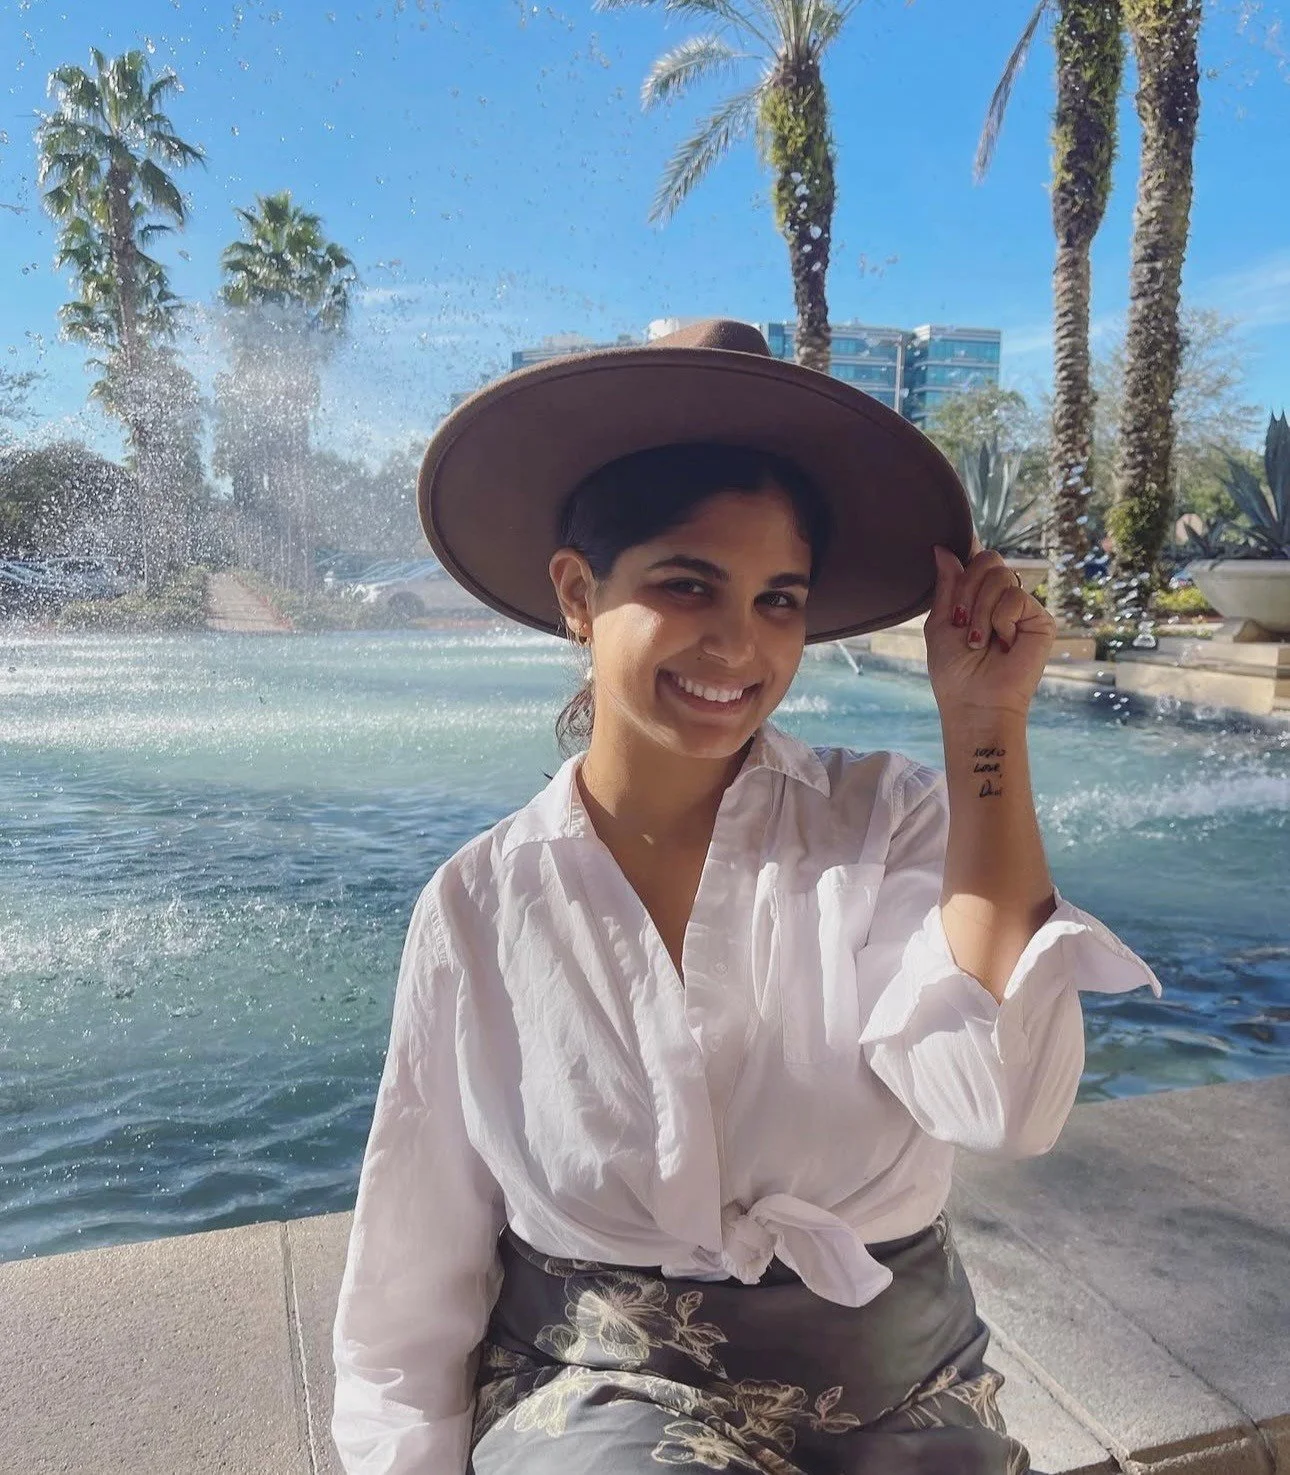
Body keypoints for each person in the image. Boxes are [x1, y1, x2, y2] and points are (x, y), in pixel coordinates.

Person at [330, 319, 1163, 1475]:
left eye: (781, 599)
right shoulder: (484, 900)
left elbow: (1005, 1109)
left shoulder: (890, 820)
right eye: (688, 584)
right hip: (606, 1388)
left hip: (902, 1387)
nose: (740, 643)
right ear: (579, 591)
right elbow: (416, 1247)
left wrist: (987, 727)